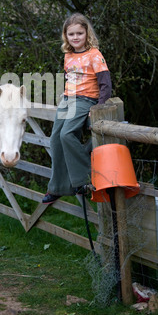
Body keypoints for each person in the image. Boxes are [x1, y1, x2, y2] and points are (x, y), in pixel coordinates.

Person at [42, 13, 112, 204]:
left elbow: (105, 83)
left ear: (86, 33)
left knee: (67, 135)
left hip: (85, 100)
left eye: (79, 33)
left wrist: (99, 106)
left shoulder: (95, 55)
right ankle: (58, 187)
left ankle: (83, 179)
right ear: (66, 36)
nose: (75, 38)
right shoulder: (68, 55)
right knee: (55, 139)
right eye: (71, 34)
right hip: (67, 100)